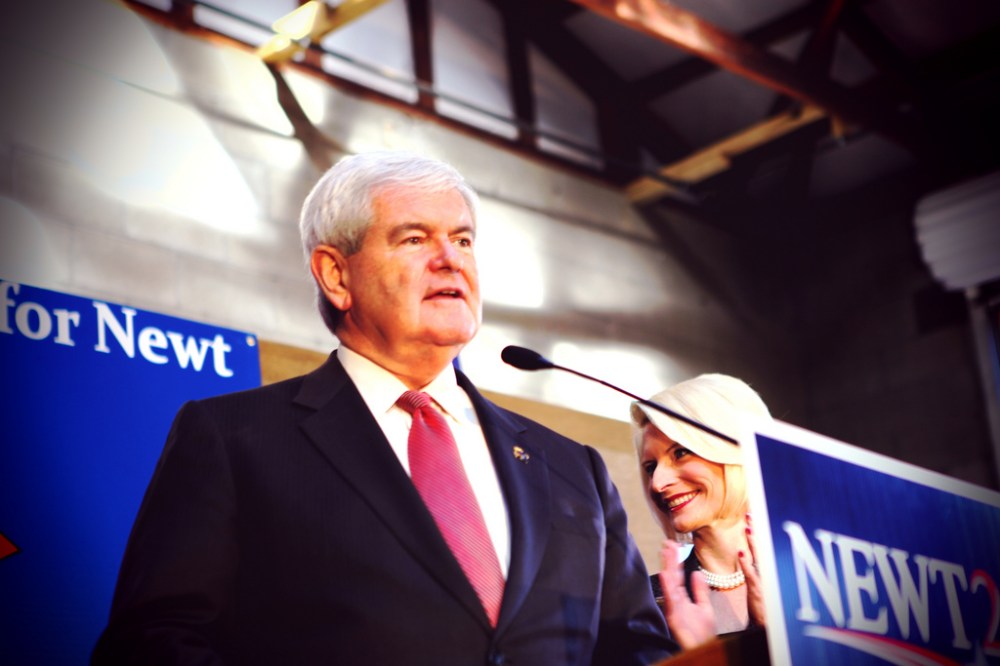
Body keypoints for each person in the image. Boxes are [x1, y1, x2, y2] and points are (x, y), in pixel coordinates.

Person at [92, 151, 675, 665]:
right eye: (415, 238)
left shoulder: (574, 468)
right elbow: (153, 643)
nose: (451, 260)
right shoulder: (234, 438)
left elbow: (632, 649)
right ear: (335, 274)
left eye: (464, 239)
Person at [631, 373, 771, 649]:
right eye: (650, 468)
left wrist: (779, 632)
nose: (657, 484)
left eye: (680, 453)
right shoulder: (644, 606)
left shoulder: (821, 584)